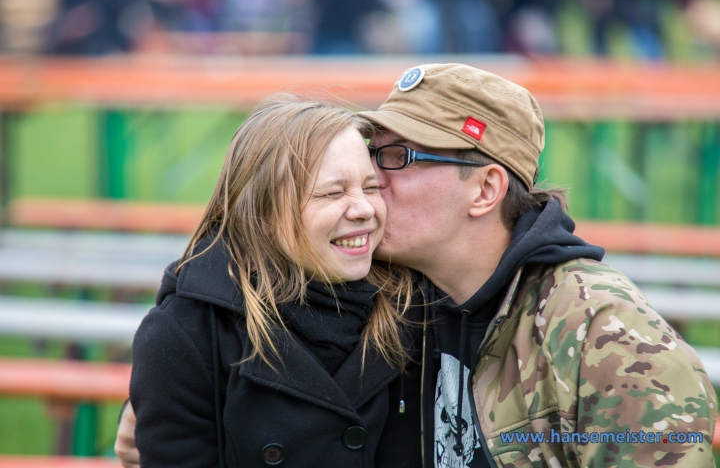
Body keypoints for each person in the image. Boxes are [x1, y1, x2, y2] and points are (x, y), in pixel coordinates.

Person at [118, 64, 717, 467]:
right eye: (371, 150)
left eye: (397, 155)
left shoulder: (600, 336)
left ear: (484, 190)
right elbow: (242, 263)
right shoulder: (401, 291)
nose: (372, 180)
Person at [127, 94, 423, 467]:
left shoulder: (412, 304)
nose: (364, 209)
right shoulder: (189, 334)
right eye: (332, 192)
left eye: (370, 187)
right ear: (262, 215)